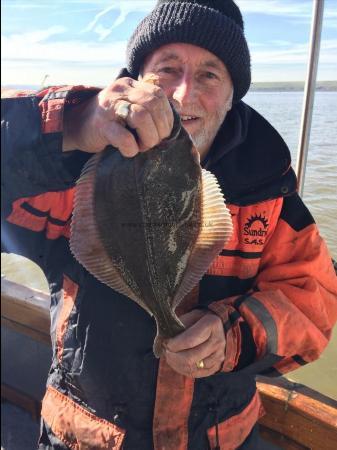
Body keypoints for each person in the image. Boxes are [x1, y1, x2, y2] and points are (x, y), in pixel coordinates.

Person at [2, 1, 337, 449]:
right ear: (136, 79)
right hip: (84, 437)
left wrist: (230, 333)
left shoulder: (268, 190)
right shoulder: (69, 170)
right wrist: (71, 124)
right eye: (167, 70)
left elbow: (314, 302)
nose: (182, 96)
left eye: (209, 75)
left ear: (233, 92)